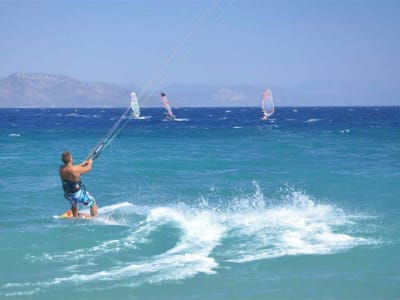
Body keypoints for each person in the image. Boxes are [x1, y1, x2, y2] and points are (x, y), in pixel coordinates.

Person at [59, 150, 98, 218]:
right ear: (71, 159)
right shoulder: (75, 170)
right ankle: (94, 218)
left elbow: (71, 168)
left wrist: (81, 164)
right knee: (92, 202)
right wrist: (90, 162)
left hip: (68, 194)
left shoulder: (61, 168)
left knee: (74, 204)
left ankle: (75, 217)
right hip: (77, 195)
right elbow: (88, 168)